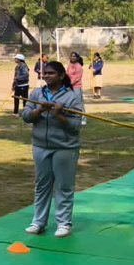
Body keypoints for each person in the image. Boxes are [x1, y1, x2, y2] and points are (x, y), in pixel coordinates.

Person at [21, 60, 85, 238]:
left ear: (61, 75)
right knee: (42, 185)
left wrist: (58, 114)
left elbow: (75, 127)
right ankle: (38, 222)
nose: (46, 76)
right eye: (45, 73)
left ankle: (64, 223)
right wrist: (40, 110)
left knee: (64, 186)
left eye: (51, 73)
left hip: (65, 148)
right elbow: (26, 116)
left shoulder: (71, 97)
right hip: (40, 146)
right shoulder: (37, 93)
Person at [67, 52, 86, 126]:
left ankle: (83, 118)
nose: (72, 57)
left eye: (74, 56)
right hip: (70, 86)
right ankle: (73, 117)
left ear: (77, 58)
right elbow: (67, 74)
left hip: (76, 87)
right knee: (71, 103)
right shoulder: (69, 65)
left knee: (79, 103)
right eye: (71, 56)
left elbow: (77, 78)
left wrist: (69, 84)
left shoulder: (78, 66)